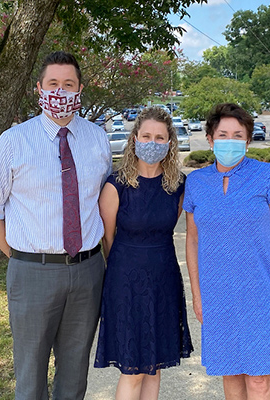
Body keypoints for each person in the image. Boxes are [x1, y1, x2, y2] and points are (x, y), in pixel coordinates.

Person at [0, 51, 112, 400]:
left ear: (80, 89)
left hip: (87, 271)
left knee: (74, 371)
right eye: (53, 83)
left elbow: (103, 201)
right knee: (30, 374)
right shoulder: (14, 140)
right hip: (31, 272)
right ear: (39, 88)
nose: (61, 91)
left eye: (69, 84)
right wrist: (18, 254)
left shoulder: (97, 139)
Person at [183, 103, 270, 400]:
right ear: (210, 138)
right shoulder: (196, 182)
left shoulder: (268, 176)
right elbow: (193, 241)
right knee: (231, 374)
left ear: (248, 140)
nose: (230, 141)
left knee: (259, 380)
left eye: (238, 135)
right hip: (217, 294)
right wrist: (197, 295)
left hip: (262, 294)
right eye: (223, 134)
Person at [94, 107, 193, 400]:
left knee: (154, 366)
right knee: (133, 369)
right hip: (126, 280)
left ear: (169, 143)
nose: (153, 142)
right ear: (135, 138)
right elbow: (107, 238)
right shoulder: (116, 186)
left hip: (163, 277)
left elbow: (171, 227)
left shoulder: (177, 186)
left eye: (160, 137)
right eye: (147, 135)